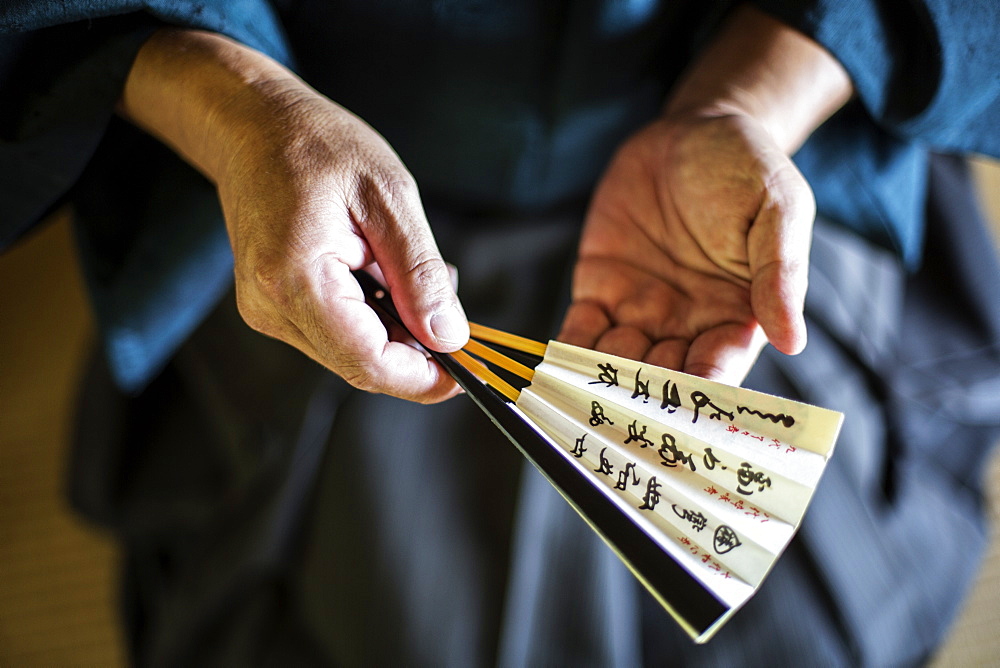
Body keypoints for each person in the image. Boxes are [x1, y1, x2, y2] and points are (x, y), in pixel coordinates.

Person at [2, 1, 999, 665]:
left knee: (788, 580)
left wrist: (746, 101)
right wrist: (240, 109)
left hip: (752, 169)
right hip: (306, 159)